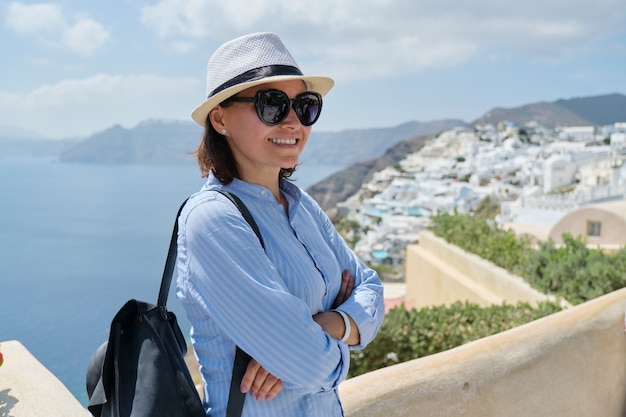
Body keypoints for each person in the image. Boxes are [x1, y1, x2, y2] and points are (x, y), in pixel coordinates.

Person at [176, 32, 385, 417]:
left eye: (305, 106)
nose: (292, 121)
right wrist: (333, 333)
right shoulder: (213, 220)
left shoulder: (301, 206)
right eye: (271, 104)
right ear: (220, 118)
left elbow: (372, 288)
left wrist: (323, 324)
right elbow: (315, 366)